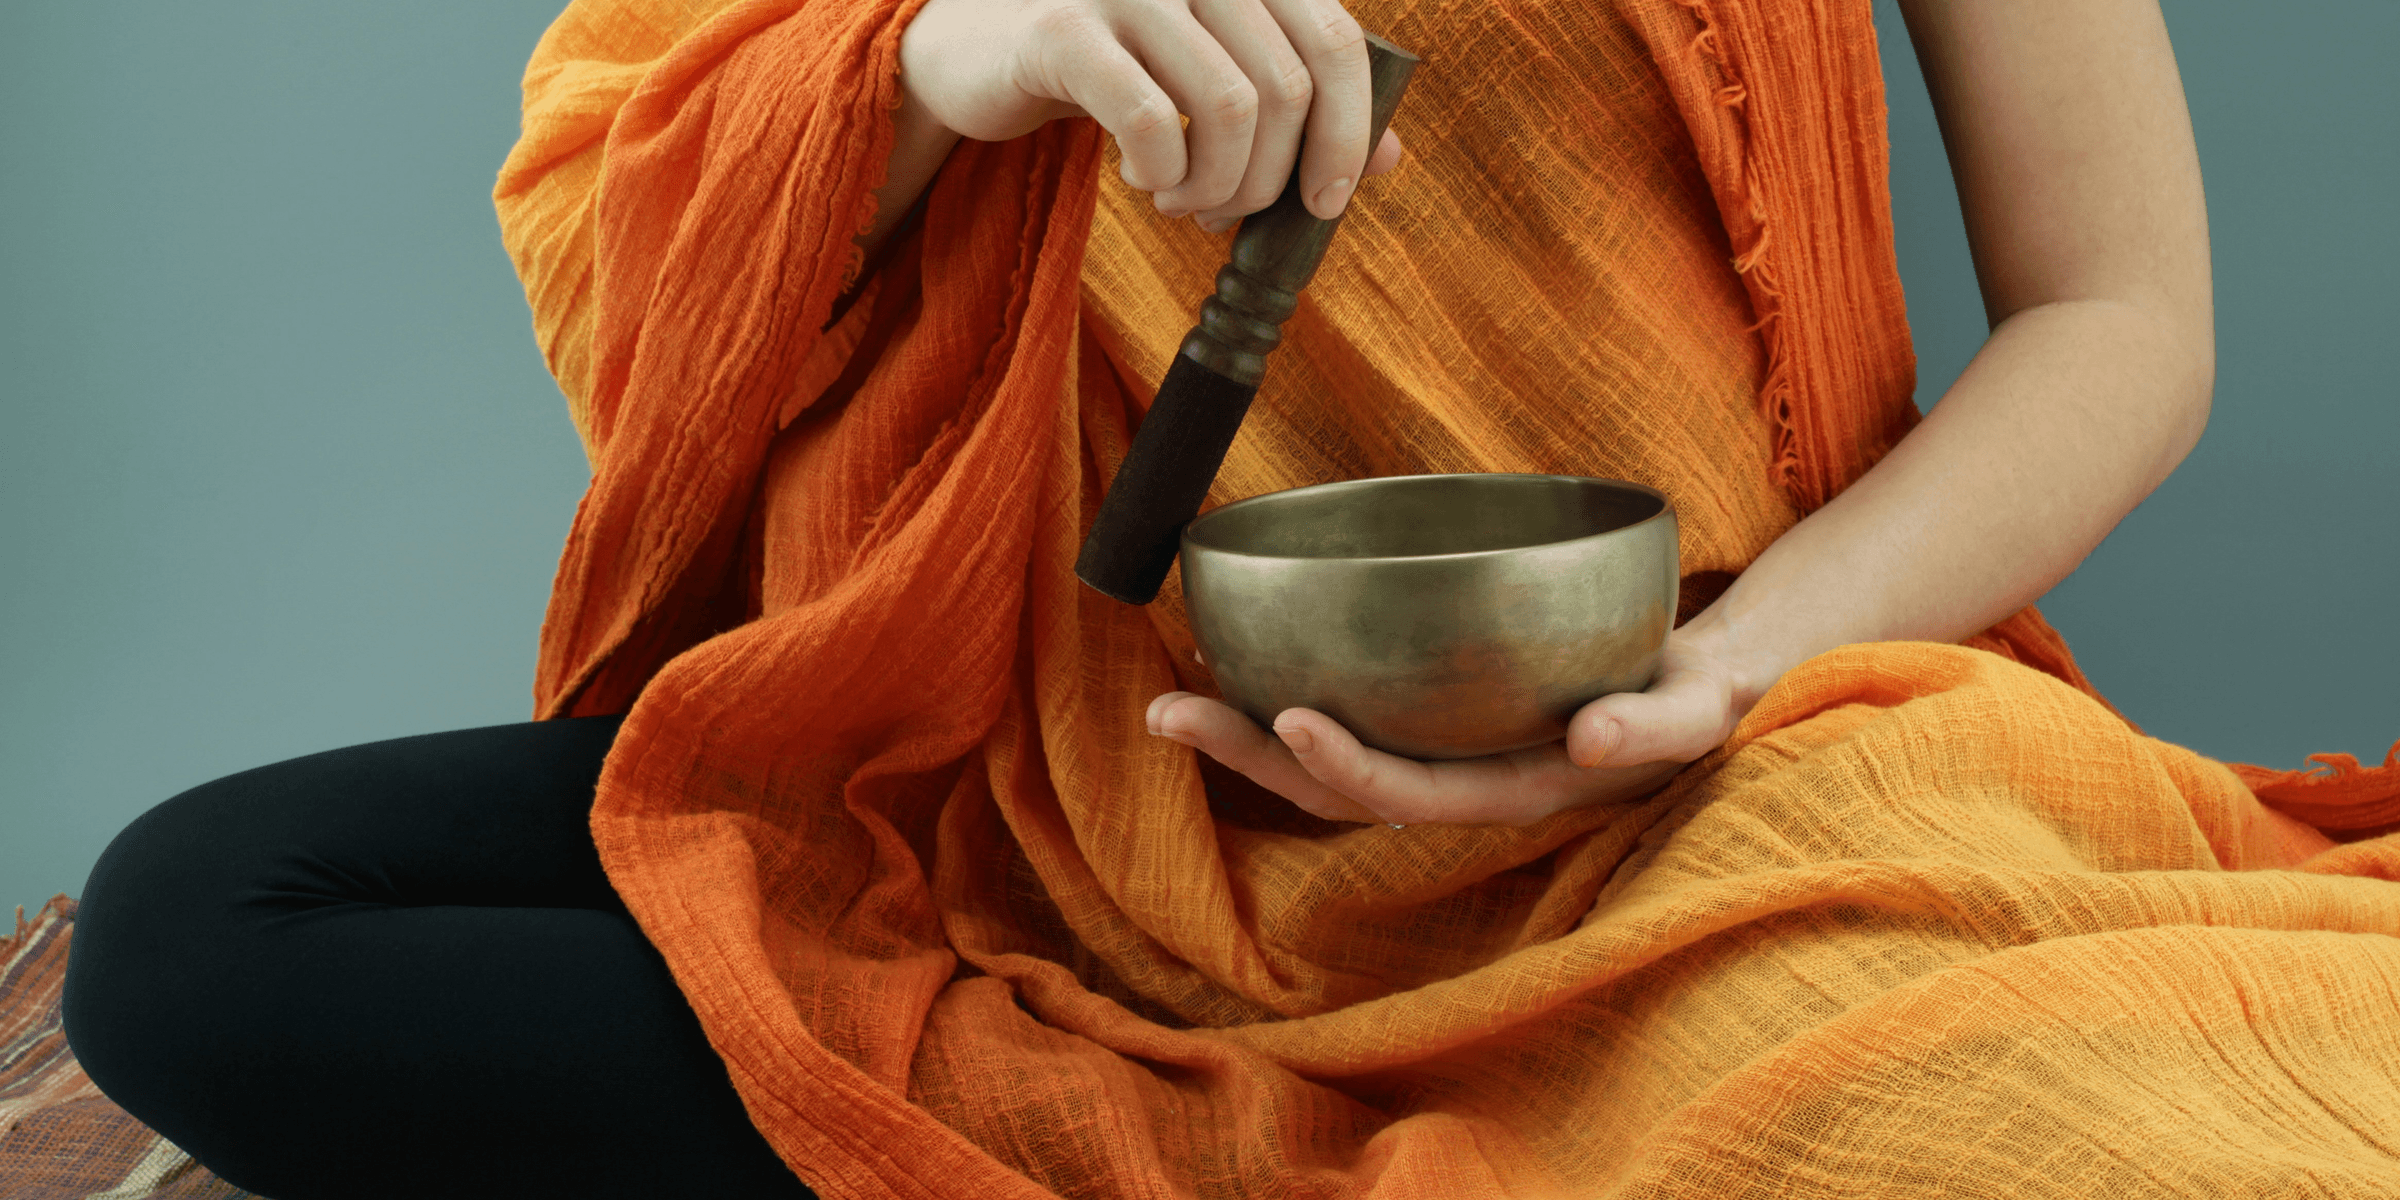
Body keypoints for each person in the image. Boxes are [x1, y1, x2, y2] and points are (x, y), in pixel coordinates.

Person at [62, 0, 2400, 1197]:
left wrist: (1714, 675)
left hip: (1688, 769)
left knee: (2100, 1133)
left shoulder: (1713, 707)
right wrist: (936, 62)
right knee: (208, 930)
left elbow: (2125, 313)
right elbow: (624, 209)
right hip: (1038, 752)